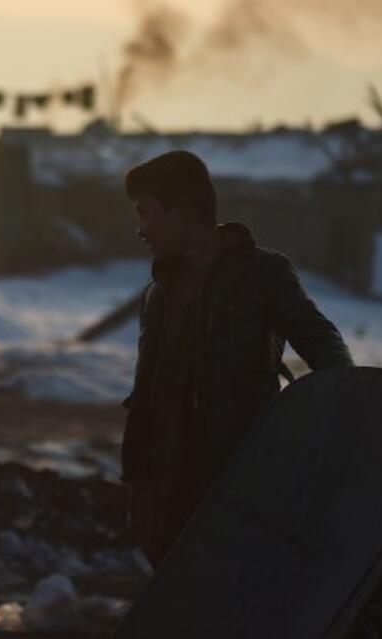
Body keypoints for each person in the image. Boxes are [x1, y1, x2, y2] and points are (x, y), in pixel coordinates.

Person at [121, 150, 353, 566]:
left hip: (239, 484)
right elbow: (148, 396)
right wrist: (139, 487)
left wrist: (356, 405)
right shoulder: (156, 295)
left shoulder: (263, 274)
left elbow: (321, 341)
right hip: (166, 496)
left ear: (182, 210)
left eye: (145, 213)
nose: (140, 230)